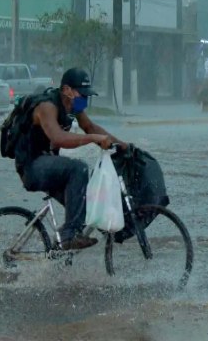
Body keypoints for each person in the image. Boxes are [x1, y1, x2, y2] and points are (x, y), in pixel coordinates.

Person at [14, 67, 127, 250]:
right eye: (81, 94)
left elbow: (90, 127)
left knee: (85, 204)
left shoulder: (72, 107)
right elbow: (58, 138)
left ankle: (58, 249)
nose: (84, 99)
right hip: (31, 167)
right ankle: (68, 235)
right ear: (66, 90)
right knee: (78, 168)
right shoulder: (47, 107)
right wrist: (93, 140)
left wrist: (122, 145)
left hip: (49, 163)